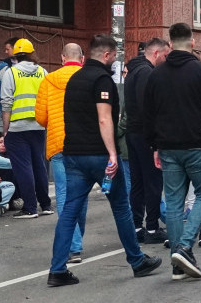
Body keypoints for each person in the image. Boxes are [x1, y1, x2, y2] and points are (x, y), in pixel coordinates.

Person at [47, 35, 162, 287]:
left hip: (73, 155)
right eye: (114, 57)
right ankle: (137, 261)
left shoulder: (75, 79)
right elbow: (104, 118)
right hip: (98, 155)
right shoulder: (102, 80)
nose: (115, 62)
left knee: (70, 211)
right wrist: (112, 153)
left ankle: (57, 270)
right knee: (121, 207)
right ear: (107, 55)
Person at [146, 22, 201, 281]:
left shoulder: (157, 73)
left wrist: (154, 146)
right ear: (193, 43)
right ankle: (184, 247)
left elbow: (149, 114)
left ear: (170, 44)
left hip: (167, 147)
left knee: (174, 202)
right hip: (196, 144)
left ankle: (177, 265)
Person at [35, 43, 85, 262]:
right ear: (82, 59)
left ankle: (73, 247)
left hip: (58, 143)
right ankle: (76, 240)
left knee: (64, 195)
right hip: (84, 145)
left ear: (62, 58)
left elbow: (40, 117)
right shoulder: (88, 77)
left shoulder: (48, 80)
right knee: (81, 194)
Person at [125, 37, 170, 243]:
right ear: (156, 53)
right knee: (153, 182)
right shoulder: (146, 73)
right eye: (165, 56)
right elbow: (148, 108)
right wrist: (155, 142)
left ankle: (136, 226)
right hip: (145, 135)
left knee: (138, 182)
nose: (166, 60)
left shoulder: (133, 70)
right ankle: (152, 228)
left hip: (133, 133)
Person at [4, 40, 52, 218]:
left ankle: (30, 208)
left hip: (17, 127)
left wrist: (5, 129)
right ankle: (45, 205)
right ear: (32, 53)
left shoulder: (11, 72)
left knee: (23, 167)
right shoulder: (43, 72)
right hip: (38, 126)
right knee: (39, 165)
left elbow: (6, 103)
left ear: (16, 56)